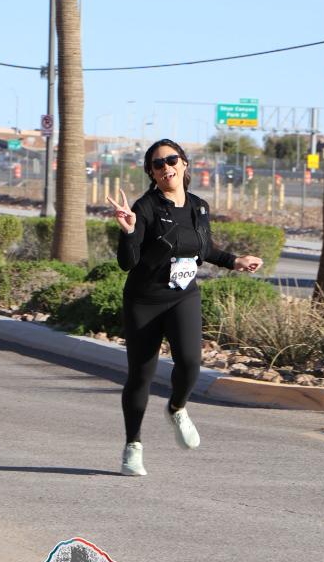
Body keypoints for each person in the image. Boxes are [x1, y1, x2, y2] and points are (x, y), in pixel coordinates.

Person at [107, 139, 263, 476]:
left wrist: (235, 261)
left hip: (182, 295)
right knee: (141, 375)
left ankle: (177, 408)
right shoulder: (145, 207)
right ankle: (133, 446)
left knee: (191, 363)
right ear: (151, 173)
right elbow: (127, 262)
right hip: (144, 301)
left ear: (184, 164)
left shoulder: (199, 207)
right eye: (158, 164)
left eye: (171, 160)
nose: (166, 167)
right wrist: (129, 231)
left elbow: (204, 248)